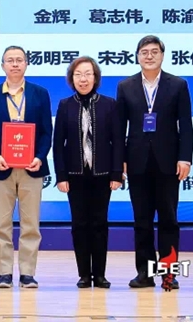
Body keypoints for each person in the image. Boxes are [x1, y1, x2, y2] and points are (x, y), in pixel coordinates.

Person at [115, 35, 193, 290]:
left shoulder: (178, 85)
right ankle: (145, 274)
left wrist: (185, 158)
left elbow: (186, 125)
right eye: (144, 52)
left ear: (162, 55)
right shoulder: (125, 86)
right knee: (142, 221)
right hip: (136, 162)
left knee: (169, 220)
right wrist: (120, 161)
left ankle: (169, 274)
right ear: (137, 56)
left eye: (154, 52)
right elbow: (119, 128)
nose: (149, 56)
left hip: (168, 163)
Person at [0, 45, 53, 289]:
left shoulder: (40, 94)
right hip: (0, 168)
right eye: (10, 60)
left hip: (32, 167)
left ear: (26, 64)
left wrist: (40, 156)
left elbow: (46, 131)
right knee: (1, 225)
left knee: (31, 224)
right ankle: (4, 273)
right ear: (3, 65)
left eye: (19, 60)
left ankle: (28, 273)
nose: (15, 64)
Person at [52, 56, 124, 289]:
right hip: (75, 175)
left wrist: (116, 174)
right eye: (78, 75)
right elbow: (58, 144)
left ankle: (100, 275)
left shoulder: (109, 104)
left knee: (99, 224)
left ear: (96, 77)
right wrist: (61, 176)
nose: (83, 79)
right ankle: (84, 274)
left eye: (88, 74)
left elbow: (118, 141)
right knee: (79, 225)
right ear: (71, 79)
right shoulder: (65, 105)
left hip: (103, 175)